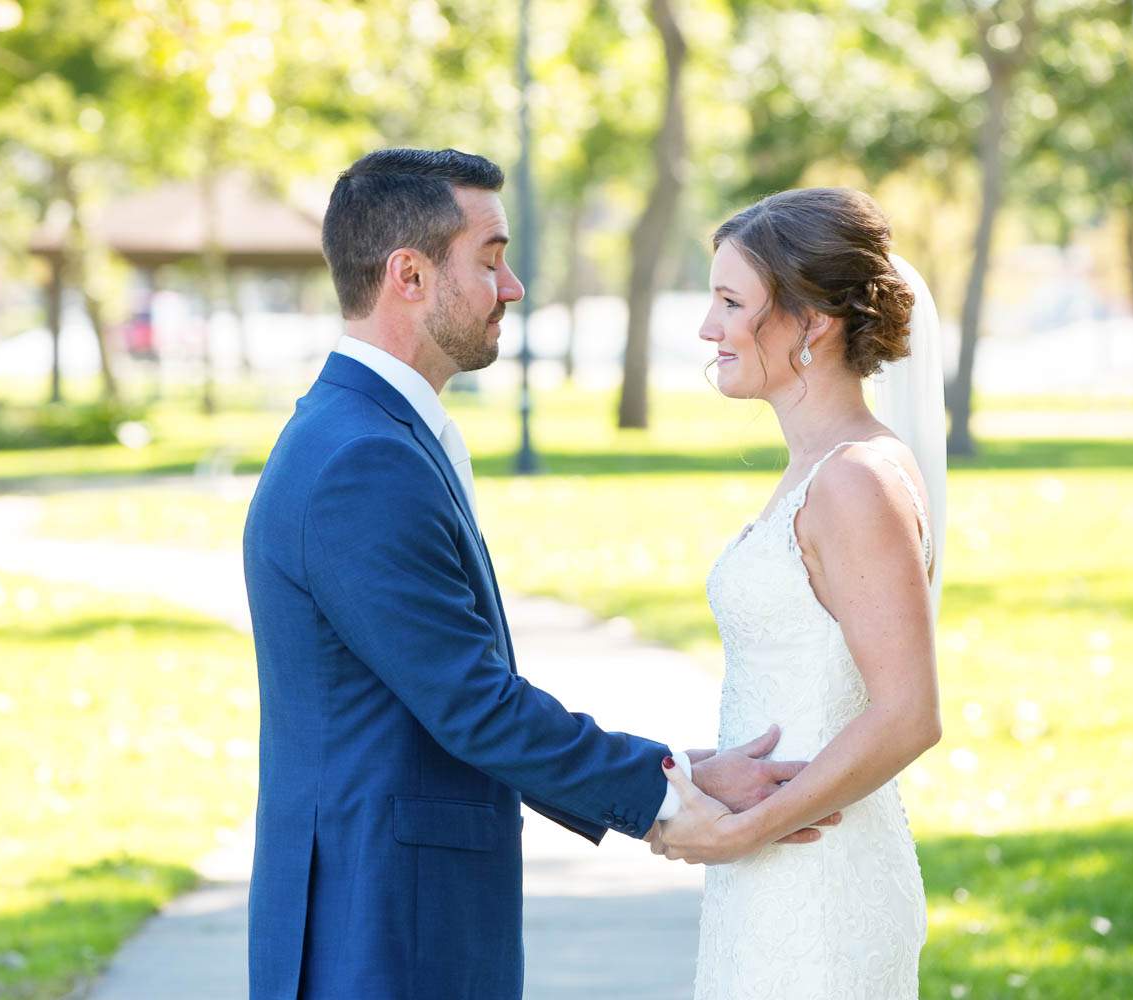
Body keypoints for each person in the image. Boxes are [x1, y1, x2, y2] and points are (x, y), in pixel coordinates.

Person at [241, 148, 836, 1000]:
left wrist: (681, 772)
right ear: (408, 275)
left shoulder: (371, 433)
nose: (513, 286)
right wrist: (662, 800)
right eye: (489, 260)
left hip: (395, 912)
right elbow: (472, 704)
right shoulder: (360, 461)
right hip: (377, 928)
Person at [651, 188, 948, 999]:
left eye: (731, 301)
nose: (709, 328)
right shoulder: (819, 467)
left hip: (821, 886)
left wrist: (745, 830)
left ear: (812, 322)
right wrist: (701, 779)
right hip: (776, 874)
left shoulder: (854, 480)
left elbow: (908, 714)